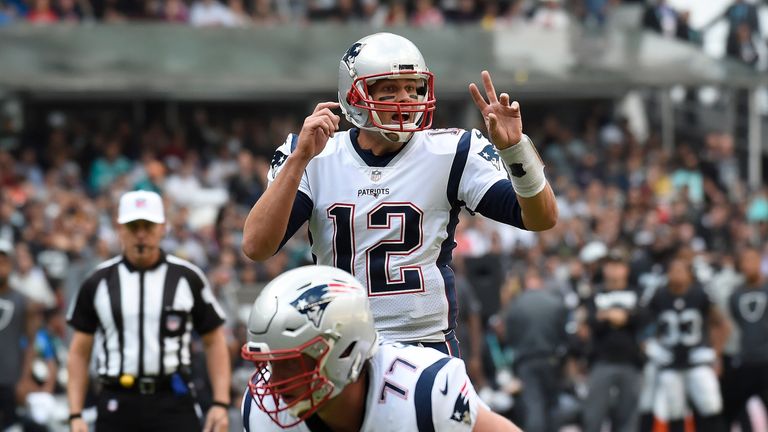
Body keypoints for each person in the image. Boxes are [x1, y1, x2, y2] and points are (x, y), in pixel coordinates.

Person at [242, 32, 558, 354]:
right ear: (354, 96)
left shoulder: (451, 151)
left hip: (425, 346)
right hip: (342, 345)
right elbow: (256, 246)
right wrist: (299, 160)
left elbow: (541, 218)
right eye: (390, 89)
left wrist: (515, 150)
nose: (406, 98)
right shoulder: (315, 154)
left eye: (412, 87)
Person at [240, 264, 522, 431]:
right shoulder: (261, 411)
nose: (274, 383)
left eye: (291, 362)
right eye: (271, 363)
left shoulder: (424, 391)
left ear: (345, 352)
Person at [66, 190, 231, 432]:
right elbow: (79, 352)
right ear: (120, 228)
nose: (141, 234)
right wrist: (75, 413)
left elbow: (214, 339)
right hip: (117, 401)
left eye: (148, 226)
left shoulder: (187, 277)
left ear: (163, 227)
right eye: (134, 226)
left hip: (173, 398)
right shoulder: (98, 281)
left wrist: (220, 403)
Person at [642, 257, 729, 432]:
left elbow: (723, 325)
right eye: (673, 271)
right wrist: (650, 346)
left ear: (690, 275)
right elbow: (642, 326)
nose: (677, 275)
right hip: (669, 361)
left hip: (698, 359)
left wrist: (715, 352)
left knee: (710, 406)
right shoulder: (659, 296)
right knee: (675, 411)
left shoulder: (700, 294)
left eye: (681, 271)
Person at [581, 254, 644, 432]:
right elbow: (591, 322)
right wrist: (619, 316)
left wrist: (608, 314)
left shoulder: (636, 292)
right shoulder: (595, 293)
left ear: (626, 269)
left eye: (618, 265)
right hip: (601, 360)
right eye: (610, 265)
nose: (614, 270)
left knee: (628, 415)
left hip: (630, 361)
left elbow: (642, 318)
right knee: (594, 414)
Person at [722, 247, 768, 427]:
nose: (749, 265)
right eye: (745, 261)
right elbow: (733, 323)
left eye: (752, 260)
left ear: (760, 262)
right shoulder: (736, 294)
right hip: (745, 358)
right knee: (733, 408)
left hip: (766, 357)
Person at [0, 239, 39, 430]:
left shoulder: (25, 302)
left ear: (12, 264)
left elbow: (31, 344)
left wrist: (25, 379)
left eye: (4, 261)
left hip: (11, 381)